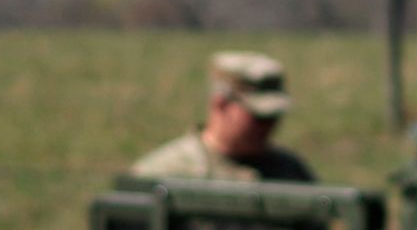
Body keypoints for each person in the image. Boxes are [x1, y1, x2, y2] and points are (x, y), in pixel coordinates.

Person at [131, 51, 316, 183]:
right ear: (221, 104)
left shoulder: (291, 172)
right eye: (258, 116)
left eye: (274, 116)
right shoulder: (165, 173)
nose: (268, 125)